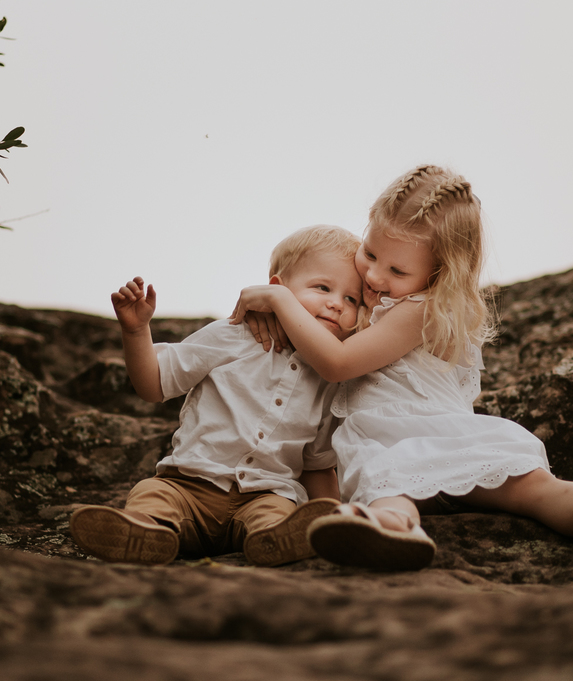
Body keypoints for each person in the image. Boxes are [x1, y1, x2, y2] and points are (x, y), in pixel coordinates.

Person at [229, 164, 573, 571]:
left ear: (438, 275)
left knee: (527, 492)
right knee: (533, 492)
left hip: (398, 440)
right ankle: (395, 531)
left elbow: (337, 363)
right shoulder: (374, 306)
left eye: (397, 271)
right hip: (458, 444)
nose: (373, 277)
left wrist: (279, 299)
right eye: (370, 254)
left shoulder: (420, 311)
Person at [69, 225, 365, 566]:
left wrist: (336, 521)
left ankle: (274, 539)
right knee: (153, 495)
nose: (336, 304)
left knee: (280, 513)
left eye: (351, 299)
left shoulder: (331, 379)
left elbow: (316, 465)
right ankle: (146, 532)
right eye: (323, 287)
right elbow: (153, 385)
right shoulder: (233, 335)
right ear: (277, 290)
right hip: (189, 485)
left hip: (265, 494)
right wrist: (135, 330)